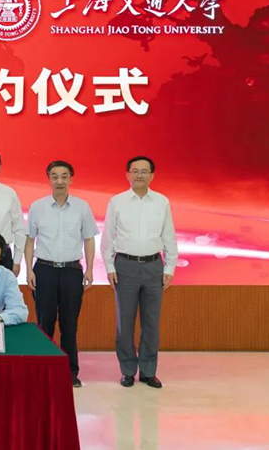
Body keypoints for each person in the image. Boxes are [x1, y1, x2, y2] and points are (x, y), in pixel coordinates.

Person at [101, 156, 178, 389]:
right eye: (135, 171)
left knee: (151, 322)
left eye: (144, 171)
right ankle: (127, 370)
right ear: (127, 174)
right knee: (125, 323)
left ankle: (148, 371)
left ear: (152, 175)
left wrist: (170, 267)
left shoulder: (162, 202)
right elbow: (107, 237)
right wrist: (110, 267)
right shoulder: (117, 201)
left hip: (154, 266)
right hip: (125, 266)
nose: (139, 175)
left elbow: (169, 236)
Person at [24, 160, 98, 388]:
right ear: (49, 179)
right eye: (55, 176)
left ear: (71, 179)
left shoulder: (82, 207)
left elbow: (88, 239)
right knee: (44, 322)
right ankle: (43, 370)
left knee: (69, 324)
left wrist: (90, 269)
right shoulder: (37, 207)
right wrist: (29, 270)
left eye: (64, 176)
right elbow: (30, 240)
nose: (59, 181)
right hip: (44, 269)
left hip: (71, 271)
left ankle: (70, 371)